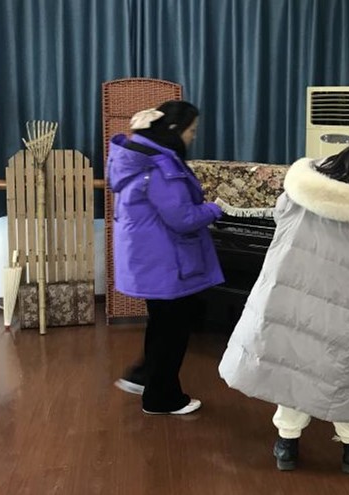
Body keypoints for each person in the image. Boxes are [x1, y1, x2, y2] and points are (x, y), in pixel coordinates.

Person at [218, 124, 349, 474]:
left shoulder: (312, 173)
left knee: (295, 361)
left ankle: (286, 444)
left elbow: (282, 215)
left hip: (288, 284)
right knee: (346, 369)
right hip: (343, 297)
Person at [108, 101, 224, 415]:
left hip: (150, 259)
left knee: (162, 324)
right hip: (167, 261)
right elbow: (182, 218)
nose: (193, 137)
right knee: (172, 332)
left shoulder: (137, 159)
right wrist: (215, 208)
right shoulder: (161, 166)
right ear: (173, 130)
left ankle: (144, 377)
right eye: (191, 130)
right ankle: (162, 398)